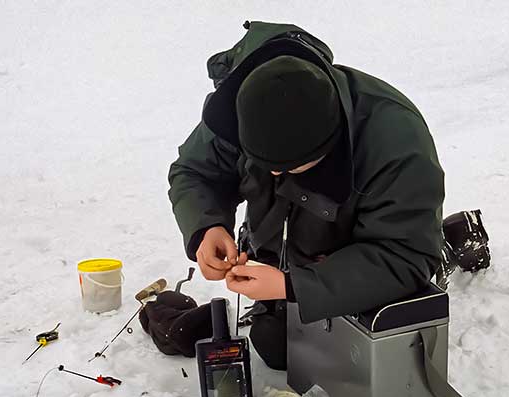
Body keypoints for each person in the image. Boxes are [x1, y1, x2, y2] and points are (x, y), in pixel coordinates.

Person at [164, 21, 445, 370]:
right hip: (286, 252)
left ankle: (442, 236)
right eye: (265, 164)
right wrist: (206, 228)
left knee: (300, 353)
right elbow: (194, 172)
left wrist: (294, 286)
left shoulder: (396, 143)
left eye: (290, 167)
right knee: (276, 345)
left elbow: (404, 253)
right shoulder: (241, 106)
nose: (275, 175)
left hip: (351, 252)